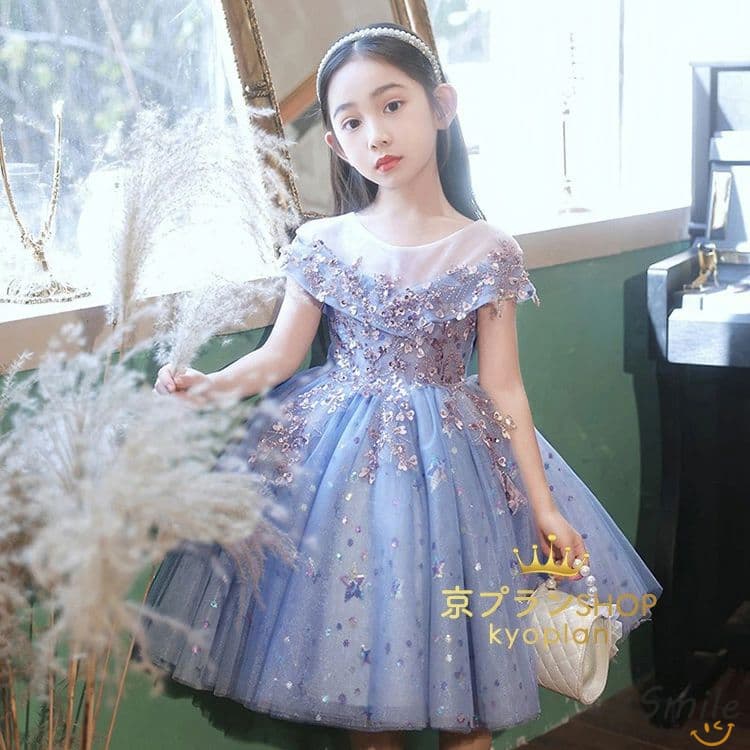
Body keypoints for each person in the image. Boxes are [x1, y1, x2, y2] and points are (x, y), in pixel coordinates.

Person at [144, 22, 663, 750]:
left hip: (457, 474)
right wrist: (207, 385)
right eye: (352, 121)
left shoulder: (487, 250)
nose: (376, 134)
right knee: (360, 679)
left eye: (392, 105)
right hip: (338, 476)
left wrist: (545, 506)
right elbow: (277, 358)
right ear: (335, 144)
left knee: (473, 702)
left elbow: (504, 388)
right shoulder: (322, 243)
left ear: (441, 106)